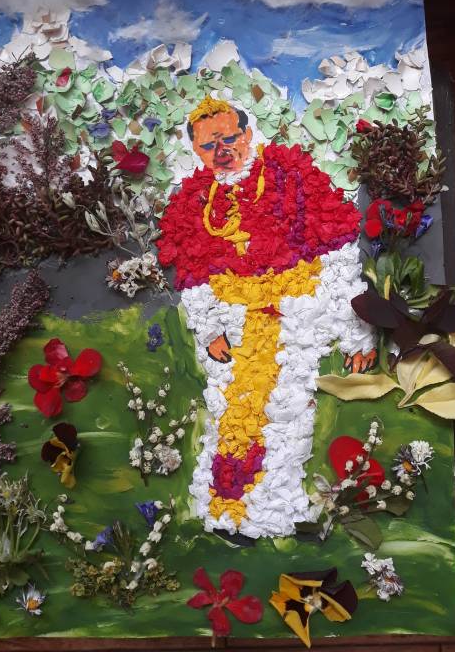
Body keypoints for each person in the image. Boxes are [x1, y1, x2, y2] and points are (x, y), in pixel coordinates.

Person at [157, 95, 375, 538]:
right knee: (231, 411)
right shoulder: (194, 199)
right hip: (234, 320)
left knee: (288, 412)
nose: (222, 151)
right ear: (196, 151)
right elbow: (193, 273)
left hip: (295, 314)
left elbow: (337, 253)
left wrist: (356, 332)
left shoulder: (289, 173)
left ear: (247, 133)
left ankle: (277, 512)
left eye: (229, 138)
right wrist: (210, 327)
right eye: (208, 145)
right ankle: (225, 508)